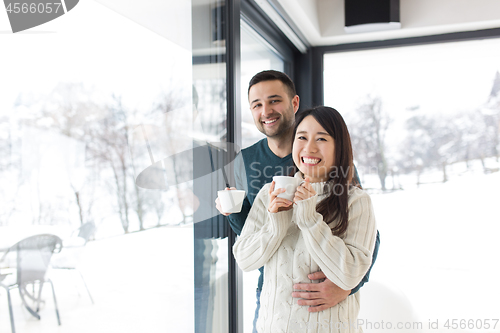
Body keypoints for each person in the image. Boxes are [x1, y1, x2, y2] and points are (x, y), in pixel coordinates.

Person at [215, 70, 380, 332]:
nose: (266, 110)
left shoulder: (347, 189)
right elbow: (249, 235)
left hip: (324, 304)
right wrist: (234, 212)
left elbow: (367, 240)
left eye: (274, 100)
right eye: (257, 104)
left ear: (294, 103)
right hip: (272, 291)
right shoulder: (246, 160)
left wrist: (347, 286)